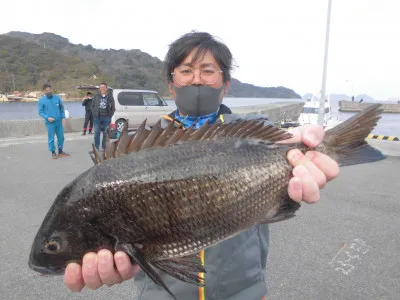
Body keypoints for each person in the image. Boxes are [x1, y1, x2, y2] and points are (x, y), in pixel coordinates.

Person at [64, 32, 340, 299]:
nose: (196, 80)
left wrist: (305, 151)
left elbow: (284, 147)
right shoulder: (138, 150)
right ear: (171, 84)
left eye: (208, 71)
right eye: (186, 71)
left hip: (245, 292)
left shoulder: (251, 133)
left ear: (225, 84)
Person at [38, 83, 70, 159]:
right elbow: (40, 112)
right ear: (44, 91)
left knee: (61, 137)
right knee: (51, 138)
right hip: (50, 123)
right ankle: (53, 152)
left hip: (59, 121)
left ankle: (60, 151)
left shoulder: (57, 98)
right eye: (46, 90)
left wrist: (63, 118)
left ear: (52, 90)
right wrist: (47, 117)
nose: (49, 91)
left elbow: (62, 109)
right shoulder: (41, 100)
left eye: (50, 90)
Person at [91, 83, 115, 150]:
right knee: (96, 133)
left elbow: (113, 107)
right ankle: (96, 148)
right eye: (101, 87)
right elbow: (92, 106)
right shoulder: (96, 96)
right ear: (99, 88)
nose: (102, 88)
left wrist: (110, 115)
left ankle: (104, 148)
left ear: (106, 88)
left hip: (106, 117)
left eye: (104, 87)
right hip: (97, 117)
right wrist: (94, 114)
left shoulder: (110, 96)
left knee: (105, 133)